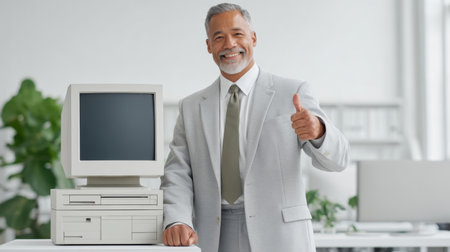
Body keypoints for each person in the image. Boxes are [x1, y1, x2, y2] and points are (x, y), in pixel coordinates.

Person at [160, 3, 350, 252]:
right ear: (209, 46)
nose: (229, 44)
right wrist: (177, 219)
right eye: (219, 37)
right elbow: (177, 174)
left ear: (253, 38)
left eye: (237, 34)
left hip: (280, 235)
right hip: (213, 236)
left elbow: (339, 160)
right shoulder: (191, 106)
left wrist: (319, 132)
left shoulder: (292, 92)